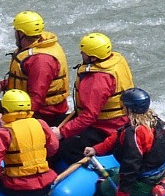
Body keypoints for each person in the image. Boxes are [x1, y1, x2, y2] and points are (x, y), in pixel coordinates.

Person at [0, 10, 70, 131]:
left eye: (15, 31)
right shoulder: (34, 47)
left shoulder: (41, 62)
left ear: (21, 34)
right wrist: (1, 85)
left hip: (43, 113)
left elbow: (36, 100)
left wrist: (8, 119)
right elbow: (24, 80)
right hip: (23, 104)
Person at [53, 32, 134, 166]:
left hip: (106, 128)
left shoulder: (97, 80)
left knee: (68, 147)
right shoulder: (116, 60)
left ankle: (91, 169)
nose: (81, 54)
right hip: (116, 120)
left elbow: (88, 117)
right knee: (57, 121)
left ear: (93, 58)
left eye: (84, 53)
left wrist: (62, 132)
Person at [83, 88, 165, 196]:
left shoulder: (134, 133)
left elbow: (131, 163)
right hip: (161, 174)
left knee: (101, 188)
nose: (122, 108)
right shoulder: (155, 121)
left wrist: (123, 193)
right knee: (113, 172)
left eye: (123, 106)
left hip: (144, 183)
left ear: (129, 108)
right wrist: (96, 149)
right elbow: (116, 136)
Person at [0, 89, 60, 196]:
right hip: (44, 187)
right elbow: (53, 147)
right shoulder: (41, 124)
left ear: (5, 110)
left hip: (16, 189)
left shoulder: (3, 132)